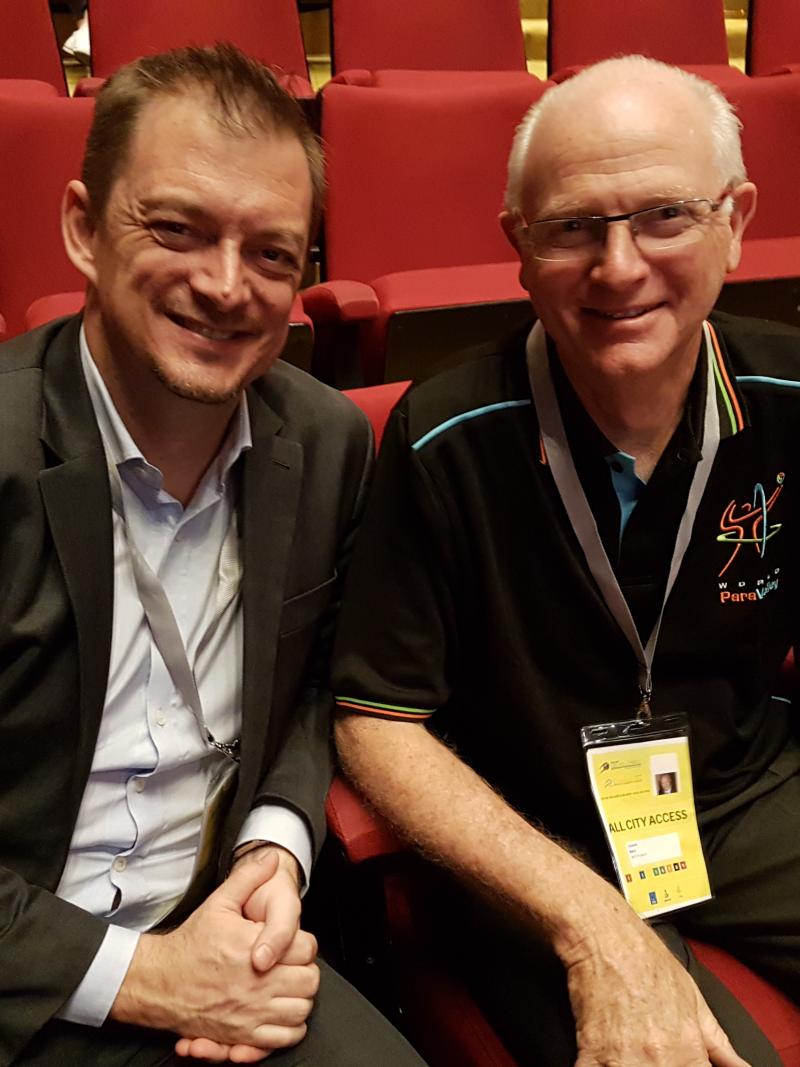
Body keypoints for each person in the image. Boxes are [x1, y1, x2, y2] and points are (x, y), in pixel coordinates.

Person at [333, 55, 800, 1066]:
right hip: (534, 835)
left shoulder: (791, 393)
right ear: (516, 247)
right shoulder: (441, 433)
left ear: (736, 219)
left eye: (664, 215)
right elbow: (376, 720)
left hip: (740, 787)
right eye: (573, 227)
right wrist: (592, 925)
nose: (619, 266)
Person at [0, 43, 426, 1067]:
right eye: (177, 229)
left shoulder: (325, 443)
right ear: (82, 228)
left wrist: (275, 841)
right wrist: (138, 976)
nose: (225, 285)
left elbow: (321, 677)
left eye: (273, 253)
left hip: (222, 935)